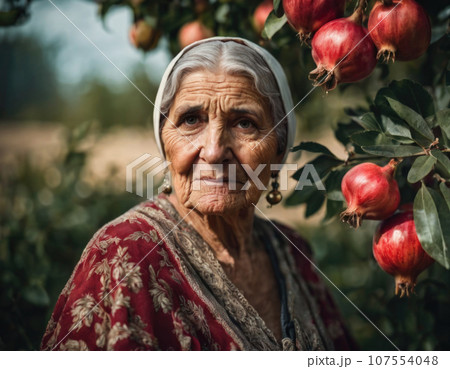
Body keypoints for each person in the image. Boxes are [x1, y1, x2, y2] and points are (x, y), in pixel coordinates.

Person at [41, 37, 355, 351]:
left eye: (244, 123)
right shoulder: (125, 254)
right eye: (191, 120)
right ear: (165, 143)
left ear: (279, 149)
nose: (215, 151)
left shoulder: (291, 250)